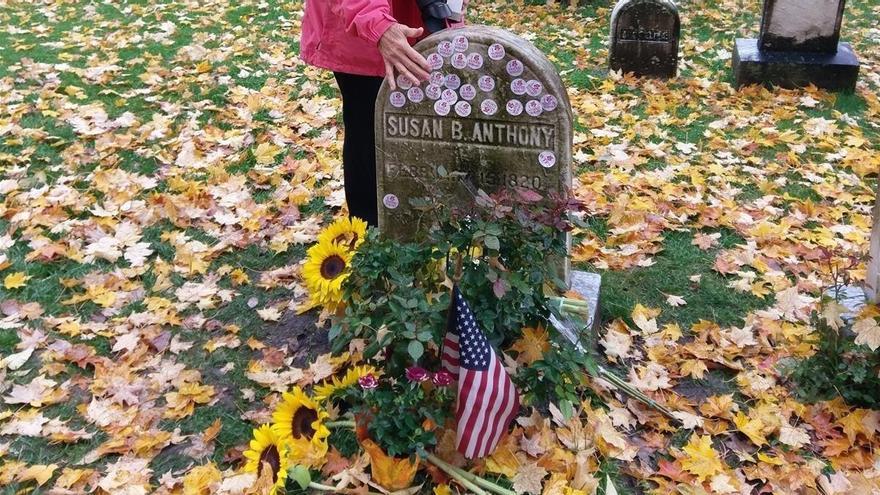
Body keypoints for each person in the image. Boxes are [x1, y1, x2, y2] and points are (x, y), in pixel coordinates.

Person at [301, 1, 443, 227]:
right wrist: (378, 25)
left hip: (419, 17)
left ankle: (420, 225)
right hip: (362, 31)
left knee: (422, 130)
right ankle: (370, 235)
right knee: (368, 131)